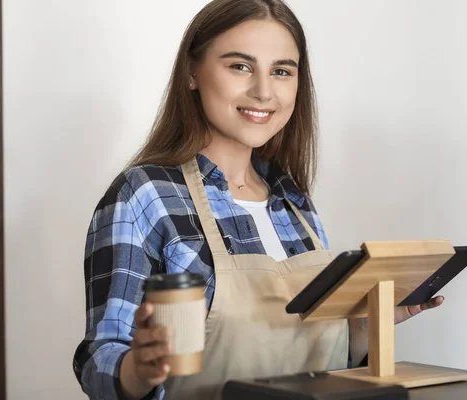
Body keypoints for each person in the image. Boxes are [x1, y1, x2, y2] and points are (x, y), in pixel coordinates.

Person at [72, 0, 444, 398]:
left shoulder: (294, 202)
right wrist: (140, 369)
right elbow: (100, 358)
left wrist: (366, 323)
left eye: (281, 71)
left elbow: (319, 363)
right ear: (191, 72)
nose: (264, 91)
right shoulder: (144, 195)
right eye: (240, 66)